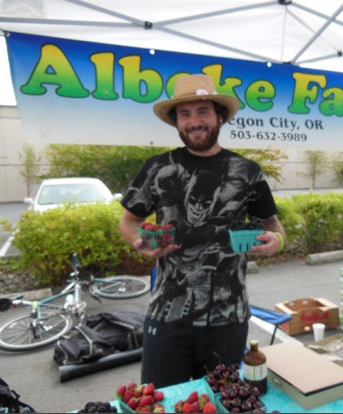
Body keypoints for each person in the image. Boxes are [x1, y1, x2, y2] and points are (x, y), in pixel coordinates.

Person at [119, 74, 286, 388]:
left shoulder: (247, 172)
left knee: (222, 401)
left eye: (203, 111)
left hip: (228, 316)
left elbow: (272, 225)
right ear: (177, 122)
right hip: (167, 315)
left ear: (220, 117)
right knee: (162, 403)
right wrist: (139, 241)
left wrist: (276, 241)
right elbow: (128, 220)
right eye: (185, 114)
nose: (194, 121)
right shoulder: (157, 168)